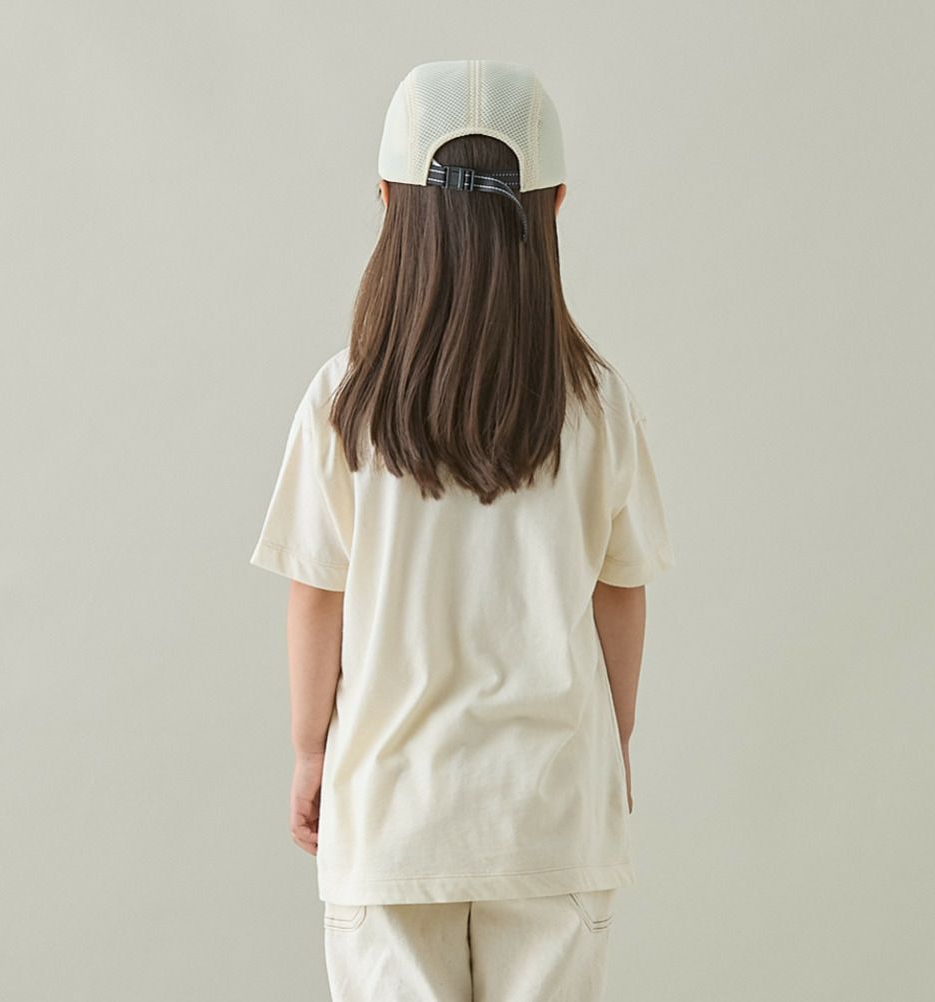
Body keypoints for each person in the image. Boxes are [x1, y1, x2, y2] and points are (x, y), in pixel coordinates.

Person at [249, 58, 676, 1002]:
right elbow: (621, 590)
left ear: (386, 202)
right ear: (555, 204)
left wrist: (311, 752)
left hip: (389, 815)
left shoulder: (345, 400)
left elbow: (317, 593)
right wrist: (612, 746)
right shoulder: (597, 403)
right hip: (552, 818)